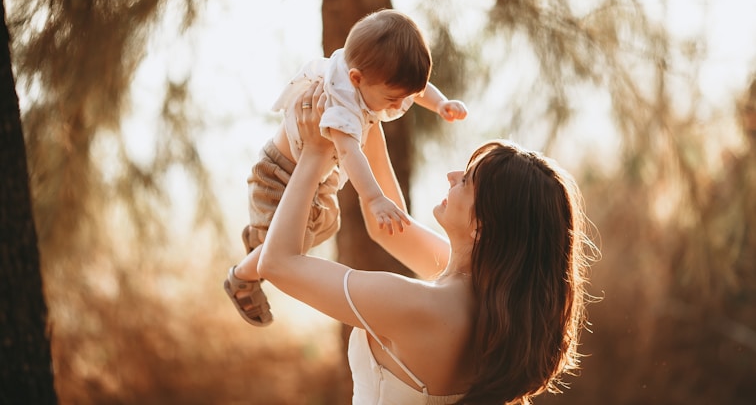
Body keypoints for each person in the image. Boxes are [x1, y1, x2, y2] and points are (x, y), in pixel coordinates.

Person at [236, 82, 597, 404]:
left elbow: (278, 264)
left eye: (468, 181)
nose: (452, 176)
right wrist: (364, 114)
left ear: (483, 227)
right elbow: (389, 229)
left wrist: (315, 152)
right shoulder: (488, 297)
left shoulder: (419, 305)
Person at [225, 9, 468, 326]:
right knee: (293, 245)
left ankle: (261, 240)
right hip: (279, 174)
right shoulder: (342, 105)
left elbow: (416, 89)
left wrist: (440, 103)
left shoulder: (373, 74)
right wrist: (374, 199)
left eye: (406, 97)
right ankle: (241, 277)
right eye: (394, 99)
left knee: (326, 226)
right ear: (356, 79)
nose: (399, 106)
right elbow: (352, 153)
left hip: (317, 179)